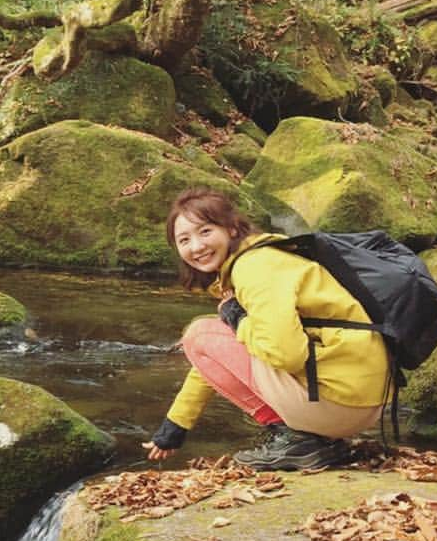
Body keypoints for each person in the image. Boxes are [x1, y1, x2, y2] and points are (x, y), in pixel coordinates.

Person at [142, 188, 390, 471]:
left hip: (340, 405)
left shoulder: (255, 268)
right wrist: (176, 424)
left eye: (205, 231)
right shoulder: (263, 257)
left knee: (198, 334)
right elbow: (220, 359)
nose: (196, 246)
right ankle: (308, 440)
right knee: (212, 336)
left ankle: (297, 439)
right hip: (359, 401)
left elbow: (288, 355)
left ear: (232, 228)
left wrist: (239, 321)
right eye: (184, 240)